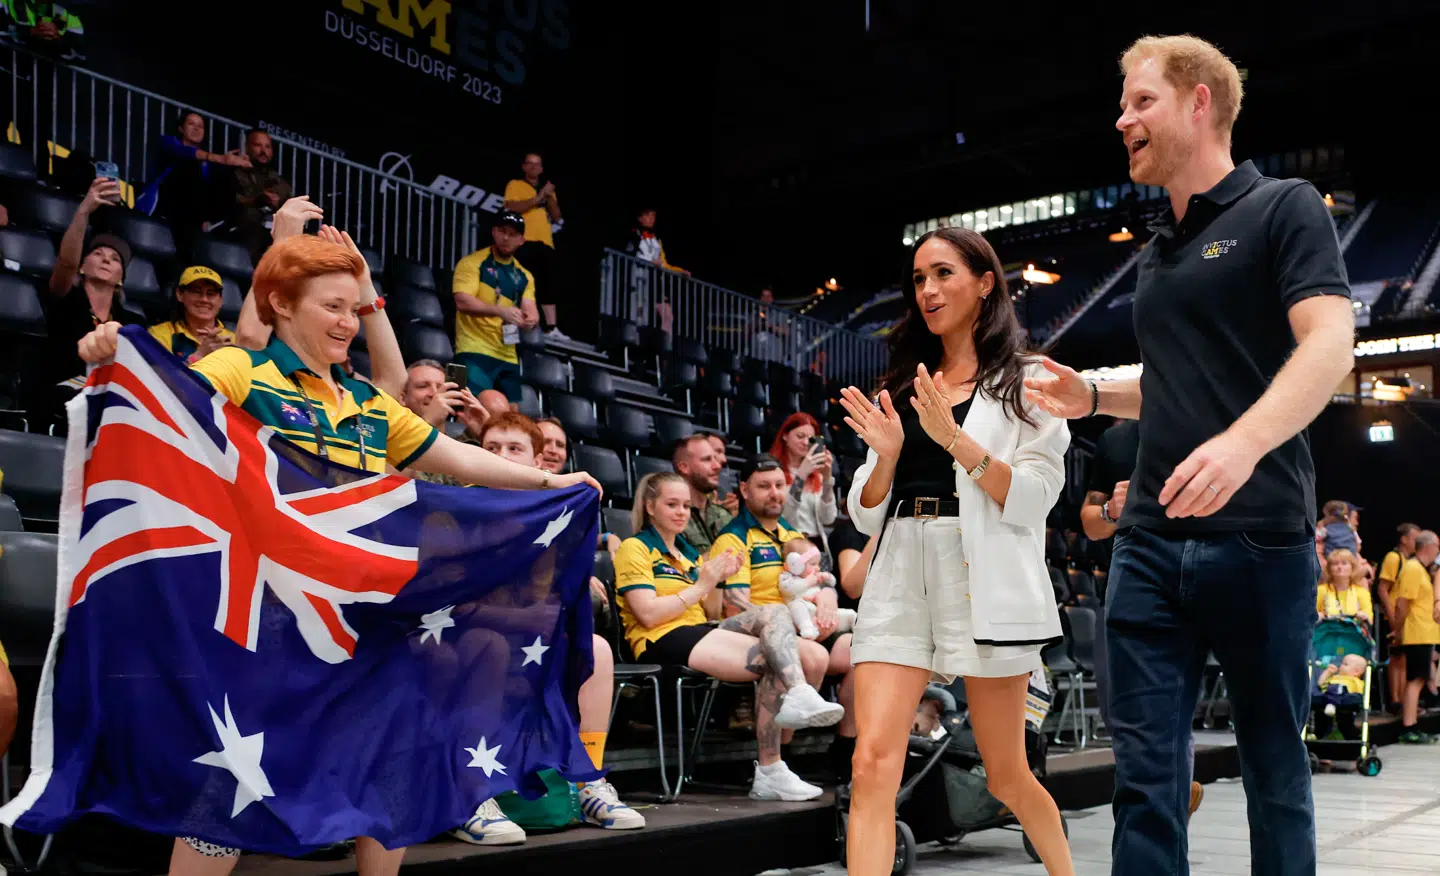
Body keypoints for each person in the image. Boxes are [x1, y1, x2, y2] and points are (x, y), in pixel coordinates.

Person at [77, 231, 602, 876]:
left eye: (353, 309)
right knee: (230, 794)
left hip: (365, 617)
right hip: (267, 623)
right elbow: (169, 399)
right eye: (332, 306)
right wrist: (113, 352)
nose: (347, 322)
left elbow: (459, 457)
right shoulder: (243, 370)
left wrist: (553, 482)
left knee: (391, 769)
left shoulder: (365, 402)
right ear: (281, 305)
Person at [1023, 35, 1355, 876]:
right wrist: (1093, 397)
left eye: (1140, 101)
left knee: (1276, 772)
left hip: (1260, 539)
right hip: (1148, 544)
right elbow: (1178, 380)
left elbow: (1329, 346)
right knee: (1145, 781)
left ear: (1199, 101)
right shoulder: (1158, 249)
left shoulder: (1285, 207)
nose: (1121, 118)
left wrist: (1244, 443)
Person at [837, 226, 1073, 876]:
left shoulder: (1028, 380)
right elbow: (863, 506)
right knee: (871, 765)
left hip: (984, 573)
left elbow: (1034, 500)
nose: (929, 290)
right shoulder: (910, 381)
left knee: (1006, 775)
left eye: (942, 273)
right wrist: (885, 459)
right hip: (900, 564)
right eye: (918, 279)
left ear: (985, 281)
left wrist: (956, 441)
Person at [447, 411, 644, 841]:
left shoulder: (550, 519)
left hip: (528, 638)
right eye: (491, 448)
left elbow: (553, 606)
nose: (500, 456)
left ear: (541, 464)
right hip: (463, 638)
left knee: (599, 649)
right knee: (490, 645)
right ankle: (471, 795)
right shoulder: (461, 513)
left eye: (513, 448)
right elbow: (458, 609)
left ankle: (587, 779)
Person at [615, 471, 840, 802]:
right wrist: (703, 584)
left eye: (686, 506)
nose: (681, 512)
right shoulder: (633, 548)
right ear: (650, 506)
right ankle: (771, 767)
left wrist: (719, 579)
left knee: (775, 616)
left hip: (700, 629)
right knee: (773, 657)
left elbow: (710, 611)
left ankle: (796, 700)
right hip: (659, 637)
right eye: (671, 505)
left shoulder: (689, 552)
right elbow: (647, 614)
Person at [709, 455, 858, 797]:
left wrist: (826, 601)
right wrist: (791, 621)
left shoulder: (793, 534)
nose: (774, 493)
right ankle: (780, 760)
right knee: (814, 658)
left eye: (779, 485)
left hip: (803, 622)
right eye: (764, 486)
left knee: (859, 652)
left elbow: (820, 582)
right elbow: (736, 604)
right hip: (756, 631)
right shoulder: (734, 538)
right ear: (744, 490)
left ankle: (845, 754)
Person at [34, 176, 145, 429]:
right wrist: (84, 210)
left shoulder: (132, 322)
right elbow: (65, 263)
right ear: (82, 267)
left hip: (112, 399)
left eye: (115, 259)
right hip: (61, 396)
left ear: (120, 280)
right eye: (97, 254)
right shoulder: (66, 299)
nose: (106, 260)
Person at [452, 210, 540, 406]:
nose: (506, 237)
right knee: (471, 409)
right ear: (493, 232)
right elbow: (462, 301)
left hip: (508, 353)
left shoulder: (524, 275)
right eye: (502, 231)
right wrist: (501, 311)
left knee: (512, 416)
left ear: (521, 240)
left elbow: (531, 309)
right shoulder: (473, 263)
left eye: (513, 234)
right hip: (473, 349)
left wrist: (530, 320)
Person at [503, 153, 564, 338]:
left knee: (547, 285)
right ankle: (511, 325)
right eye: (529, 164)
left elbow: (557, 216)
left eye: (537, 165)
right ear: (523, 167)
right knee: (518, 282)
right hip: (523, 240)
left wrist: (549, 197)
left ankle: (551, 328)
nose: (533, 167)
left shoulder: (547, 189)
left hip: (545, 243)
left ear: (541, 169)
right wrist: (539, 197)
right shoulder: (515, 184)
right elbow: (512, 207)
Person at [1393, 530, 1440, 743]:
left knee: (1419, 679)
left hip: (1424, 632)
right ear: (1429, 547)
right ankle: (1408, 726)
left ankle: (1411, 724)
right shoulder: (1412, 568)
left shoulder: (1420, 569)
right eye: (1437, 546)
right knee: (1415, 680)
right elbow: (1402, 603)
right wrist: (1398, 629)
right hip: (1416, 633)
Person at [768, 413, 838, 542]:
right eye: (800, 436)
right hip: (788, 544)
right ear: (784, 436)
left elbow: (828, 518)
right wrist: (800, 476)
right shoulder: (773, 472)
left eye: (811, 439)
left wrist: (827, 480)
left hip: (815, 545)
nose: (806, 442)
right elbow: (784, 517)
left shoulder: (816, 474)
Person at [227, 128, 292, 264]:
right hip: (242, 228)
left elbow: (291, 207)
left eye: (267, 147)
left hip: (273, 231)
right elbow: (229, 202)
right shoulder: (235, 172)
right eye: (258, 145)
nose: (263, 151)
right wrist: (257, 200)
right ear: (247, 147)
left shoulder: (279, 181)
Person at [147, 266, 235, 364]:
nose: (204, 299)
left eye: (211, 293)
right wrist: (198, 356)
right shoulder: (161, 334)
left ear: (221, 300)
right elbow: (160, 377)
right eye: (196, 292)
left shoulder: (233, 340)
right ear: (179, 294)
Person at [779, 536, 856, 640]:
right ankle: (807, 629)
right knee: (797, 605)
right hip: (802, 615)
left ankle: (860, 630)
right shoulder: (787, 577)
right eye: (813, 564)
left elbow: (833, 583)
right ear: (796, 564)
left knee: (850, 614)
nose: (818, 567)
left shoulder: (815, 575)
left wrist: (827, 577)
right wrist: (807, 582)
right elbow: (787, 589)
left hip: (820, 612)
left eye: (818, 564)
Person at [1378, 523, 1420, 708]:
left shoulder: (1409, 560)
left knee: (1403, 659)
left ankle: (1403, 699)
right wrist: (1392, 617)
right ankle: (1395, 699)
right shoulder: (1394, 558)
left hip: (1406, 619)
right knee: (1396, 659)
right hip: (1394, 617)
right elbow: (1382, 589)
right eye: (1414, 538)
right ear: (1404, 539)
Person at [673, 433, 733, 554]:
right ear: (684, 467)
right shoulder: (673, 517)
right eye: (707, 459)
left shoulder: (724, 515)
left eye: (715, 459)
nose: (717, 466)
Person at [1317, 549, 1374, 626]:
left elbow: (1370, 620)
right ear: (1329, 568)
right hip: (1327, 635)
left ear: (1352, 567)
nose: (1340, 567)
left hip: (1353, 635)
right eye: (1335, 564)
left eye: (1344, 563)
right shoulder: (1321, 590)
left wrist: (1363, 616)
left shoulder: (1361, 592)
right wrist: (1318, 616)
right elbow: (1310, 617)